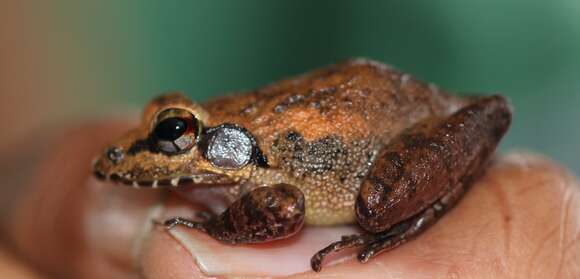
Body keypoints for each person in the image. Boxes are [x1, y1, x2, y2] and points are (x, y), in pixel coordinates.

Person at [0, 120, 578, 278]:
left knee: (377, 209)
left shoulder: (255, 170)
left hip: (393, 132)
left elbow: (286, 210)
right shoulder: (233, 152)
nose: (165, 150)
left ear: (225, 142)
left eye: (176, 137)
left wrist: (222, 231)